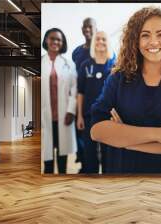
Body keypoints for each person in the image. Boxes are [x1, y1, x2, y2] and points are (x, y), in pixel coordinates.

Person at [90, 7, 161, 173]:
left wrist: (125, 139)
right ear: (135, 39)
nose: (153, 42)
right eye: (145, 35)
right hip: (124, 175)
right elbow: (97, 131)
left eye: (160, 34)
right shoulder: (117, 80)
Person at [76, 31, 115, 173]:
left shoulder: (114, 66)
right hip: (88, 117)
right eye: (97, 39)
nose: (100, 42)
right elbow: (80, 92)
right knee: (89, 155)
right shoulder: (85, 65)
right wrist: (79, 115)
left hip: (108, 117)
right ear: (93, 43)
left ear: (108, 43)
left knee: (107, 155)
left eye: (104, 39)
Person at [41, 28, 78, 174]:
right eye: (52, 38)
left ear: (62, 43)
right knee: (47, 153)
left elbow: (74, 88)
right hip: (46, 116)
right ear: (46, 40)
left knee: (62, 152)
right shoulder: (41, 62)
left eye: (59, 40)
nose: (55, 42)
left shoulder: (69, 64)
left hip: (63, 115)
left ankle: (62, 180)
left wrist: (71, 110)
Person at [72, 18, 97, 167]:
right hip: (79, 97)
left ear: (96, 28)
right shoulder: (77, 52)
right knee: (79, 131)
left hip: (97, 99)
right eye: (85, 27)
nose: (87, 29)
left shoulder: (102, 50)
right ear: (82, 29)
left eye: (90, 27)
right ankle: (83, 162)